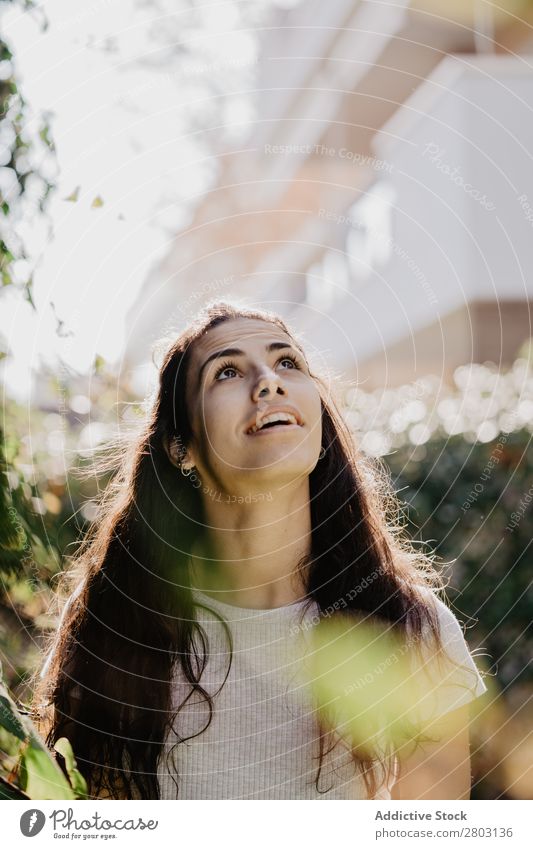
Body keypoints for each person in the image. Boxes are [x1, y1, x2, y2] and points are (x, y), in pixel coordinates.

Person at [32, 300, 487, 800]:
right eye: (226, 371)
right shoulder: (118, 622)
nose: (270, 381)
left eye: (287, 362)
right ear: (181, 447)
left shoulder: (412, 628)